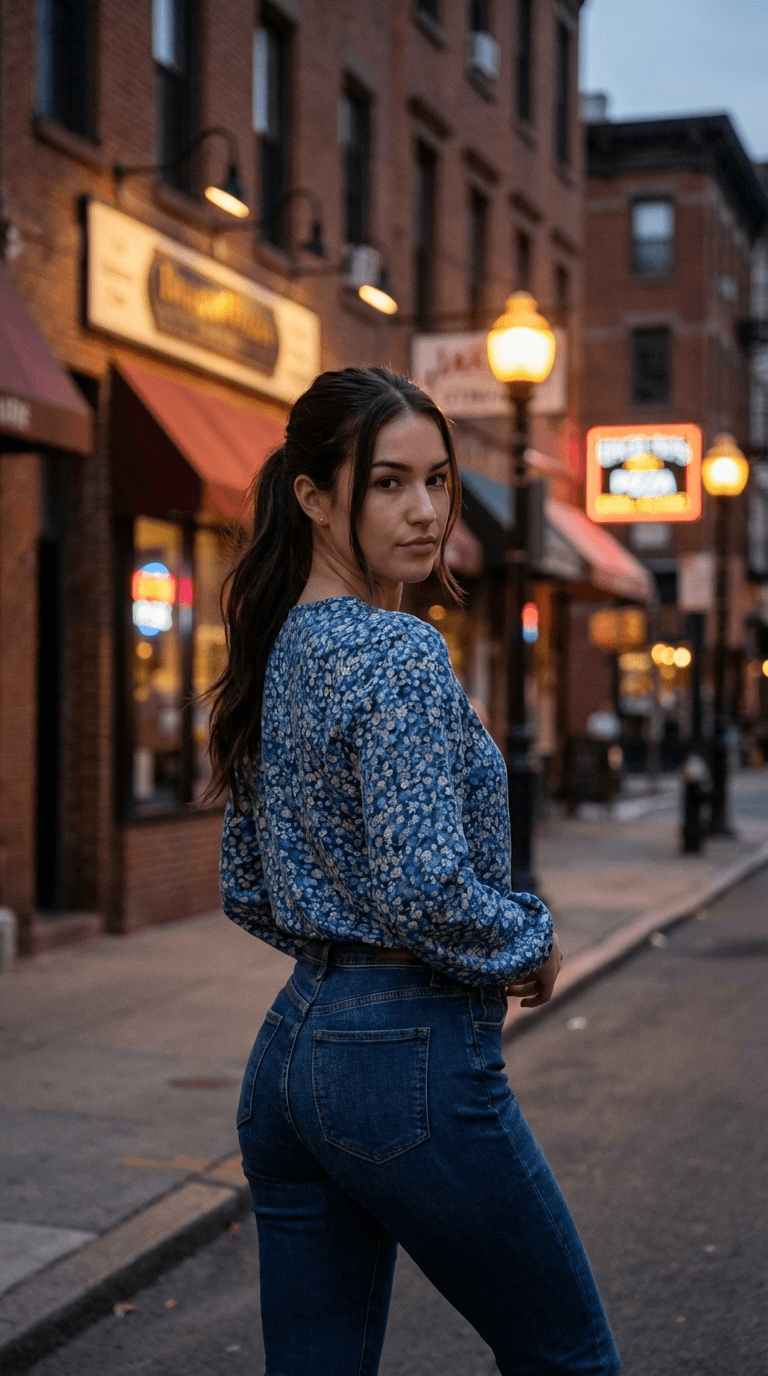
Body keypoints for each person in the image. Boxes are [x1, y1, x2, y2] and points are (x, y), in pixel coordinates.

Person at [206, 367, 621, 1375]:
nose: (427, 510)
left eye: (437, 479)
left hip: (292, 1056)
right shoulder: (396, 649)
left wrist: (337, 956)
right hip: (404, 1058)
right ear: (312, 494)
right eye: (388, 482)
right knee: (569, 1356)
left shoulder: (278, 647)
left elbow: (247, 882)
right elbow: (426, 887)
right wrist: (529, 937)